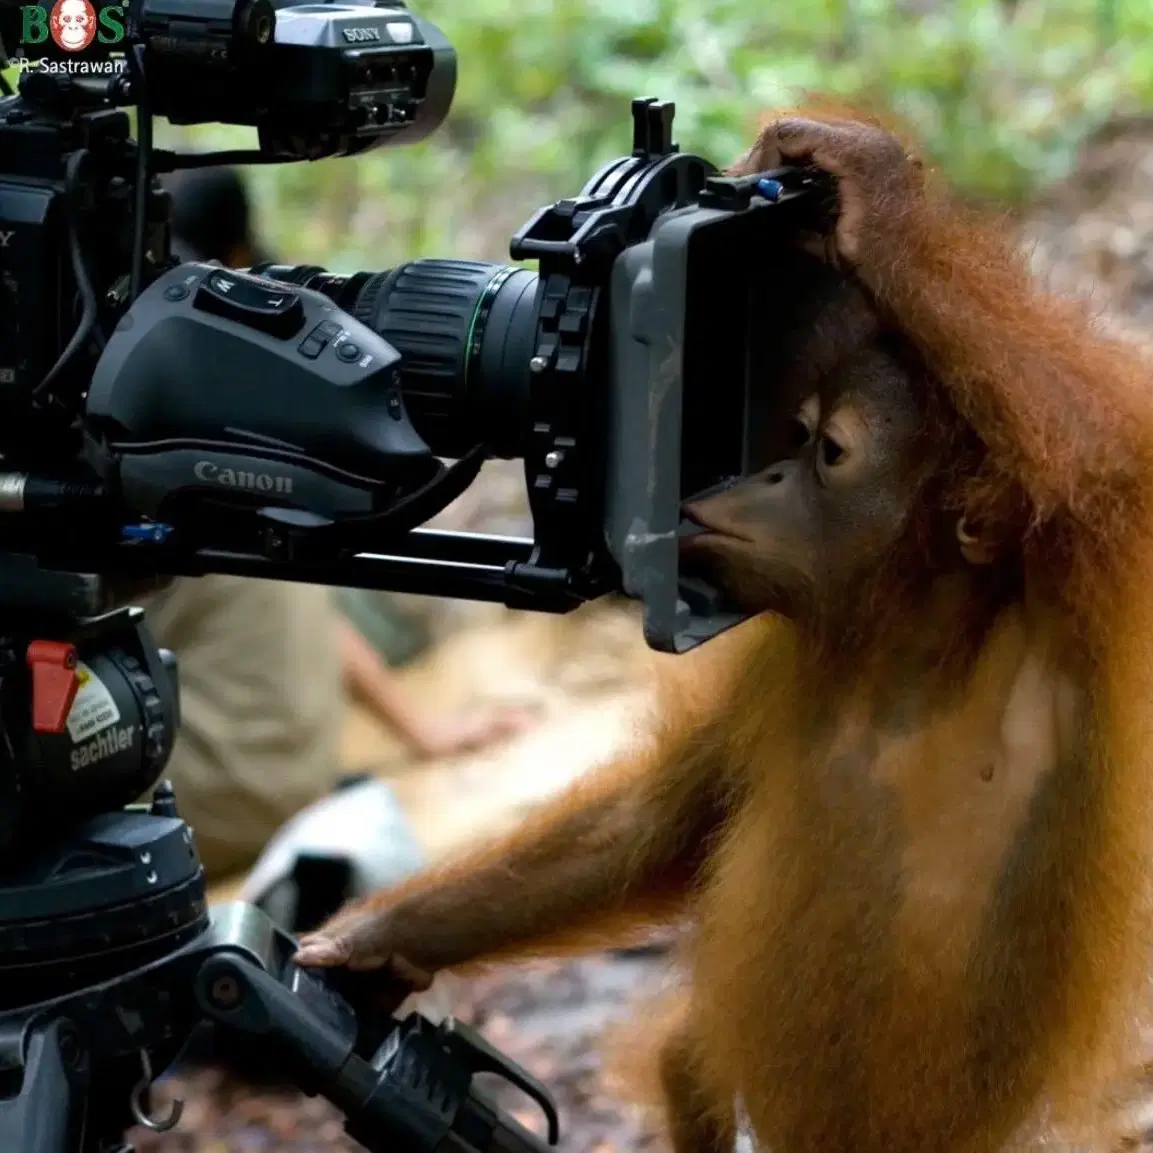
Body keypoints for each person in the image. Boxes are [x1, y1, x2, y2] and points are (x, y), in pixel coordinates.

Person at [147, 165, 536, 881]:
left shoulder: (135, 436)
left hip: (215, 809)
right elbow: (314, 601)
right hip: (300, 780)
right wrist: (425, 732)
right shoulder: (241, 409)